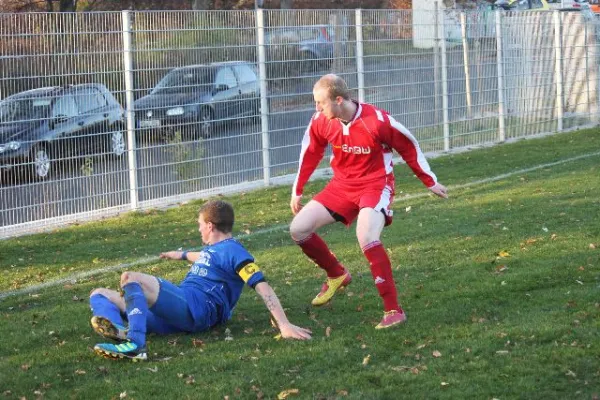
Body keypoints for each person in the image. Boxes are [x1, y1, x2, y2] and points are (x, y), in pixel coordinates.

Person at [289, 74, 448, 330]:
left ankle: (393, 310)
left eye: (320, 102)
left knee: (366, 237)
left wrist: (429, 181)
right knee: (298, 229)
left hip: (375, 185)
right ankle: (336, 274)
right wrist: (298, 189)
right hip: (341, 186)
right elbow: (310, 151)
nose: (316, 108)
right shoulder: (322, 120)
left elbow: (408, 145)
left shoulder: (377, 121)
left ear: (339, 99)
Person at [90, 200, 312, 361]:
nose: (198, 229)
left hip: (197, 307)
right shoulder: (214, 250)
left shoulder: (235, 252)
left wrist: (284, 325)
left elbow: (262, 286)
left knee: (130, 278)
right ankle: (120, 330)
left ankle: (136, 344)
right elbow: (207, 258)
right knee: (99, 294)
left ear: (210, 226)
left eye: (199, 224)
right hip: (180, 313)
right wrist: (182, 255)